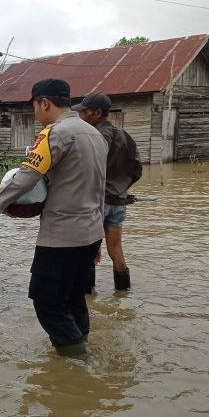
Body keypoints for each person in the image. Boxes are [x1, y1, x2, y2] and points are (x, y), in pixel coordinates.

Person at [0, 79, 107, 357]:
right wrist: (99, 240)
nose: (35, 112)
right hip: (90, 234)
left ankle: (76, 360)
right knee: (74, 297)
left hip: (61, 237)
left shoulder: (53, 134)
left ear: (44, 102)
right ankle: (82, 346)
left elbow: (26, 176)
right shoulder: (96, 135)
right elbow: (100, 190)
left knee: (46, 301)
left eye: (34, 106)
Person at [72, 92, 142, 291]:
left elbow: (86, 170)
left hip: (96, 202)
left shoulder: (95, 136)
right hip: (118, 202)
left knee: (89, 250)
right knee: (116, 249)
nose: (82, 116)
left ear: (97, 113)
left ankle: (88, 296)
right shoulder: (124, 135)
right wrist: (121, 189)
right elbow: (137, 169)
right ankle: (122, 292)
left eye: (85, 112)